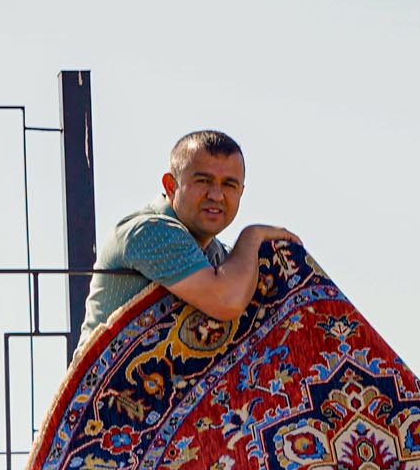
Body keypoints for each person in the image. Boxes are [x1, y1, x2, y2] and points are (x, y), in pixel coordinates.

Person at [75, 129, 291, 343]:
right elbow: (227, 301)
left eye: (229, 185)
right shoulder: (149, 231)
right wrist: (251, 235)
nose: (216, 195)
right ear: (171, 186)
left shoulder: (215, 253)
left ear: (241, 192)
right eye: (203, 181)